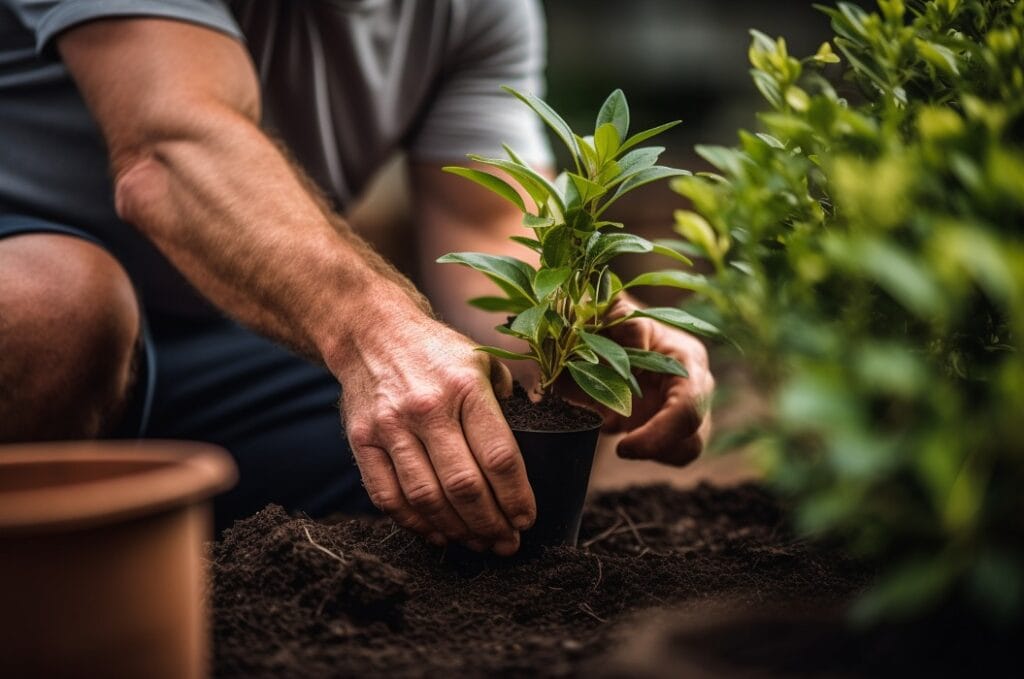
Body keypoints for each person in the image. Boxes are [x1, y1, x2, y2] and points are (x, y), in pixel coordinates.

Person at [0, 0, 714, 554]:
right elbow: (171, 150)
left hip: (216, 339)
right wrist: (378, 331)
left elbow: (484, 225)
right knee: (55, 312)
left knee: (458, 472)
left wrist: (590, 332)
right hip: (33, 279)